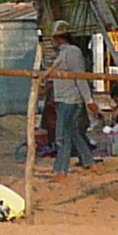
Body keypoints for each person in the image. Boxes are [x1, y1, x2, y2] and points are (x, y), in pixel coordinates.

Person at [48, 33, 94, 174]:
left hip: (70, 100)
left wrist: (89, 100)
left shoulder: (72, 52)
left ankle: (61, 170)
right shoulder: (62, 54)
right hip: (62, 99)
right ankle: (89, 161)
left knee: (62, 137)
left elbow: (80, 77)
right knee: (73, 133)